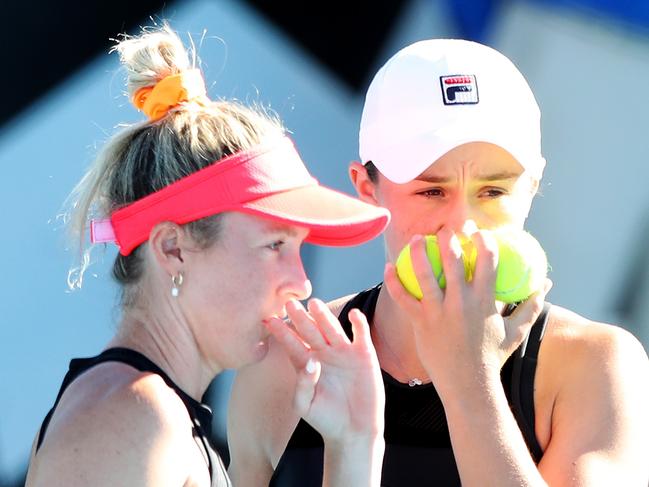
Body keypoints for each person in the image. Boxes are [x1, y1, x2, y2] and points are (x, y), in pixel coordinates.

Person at [228, 39, 649, 486]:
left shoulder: (596, 365)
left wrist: (470, 379)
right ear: (366, 188)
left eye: (493, 192)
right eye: (432, 192)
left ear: (533, 186)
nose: (463, 227)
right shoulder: (288, 361)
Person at [24, 25, 390, 487]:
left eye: (298, 247)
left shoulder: (151, 413)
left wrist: (356, 442)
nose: (302, 283)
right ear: (173, 249)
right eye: (275, 244)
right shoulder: (132, 416)